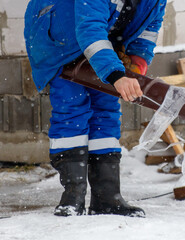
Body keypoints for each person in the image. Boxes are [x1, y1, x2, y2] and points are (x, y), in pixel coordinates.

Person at [24, 0, 167, 217]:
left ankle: (106, 197)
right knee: (72, 109)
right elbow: (89, 27)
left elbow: (148, 30)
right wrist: (116, 74)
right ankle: (73, 196)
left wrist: (136, 66)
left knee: (106, 110)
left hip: (103, 42)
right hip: (60, 38)